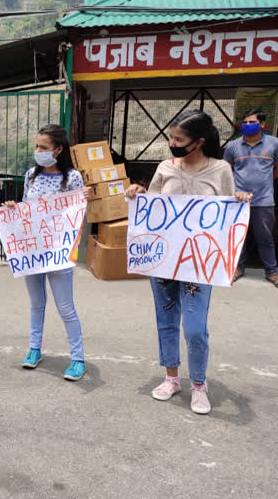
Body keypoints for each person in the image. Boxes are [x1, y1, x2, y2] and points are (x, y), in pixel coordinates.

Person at [126, 110, 247, 415]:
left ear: (199, 142)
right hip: (164, 262)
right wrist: (136, 193)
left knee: (195, 328)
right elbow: (150, 209)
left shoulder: (220, 170)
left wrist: (240, 200)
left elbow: (227, 218)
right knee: (166, 320)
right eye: (171, 137)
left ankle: (198, 385)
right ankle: (171, 378)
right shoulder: (166, 167)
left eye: (178, 139)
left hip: (200, 264)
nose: (172, 143)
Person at [1, 125, 92, 381]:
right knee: (36, 304)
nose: (38, 151)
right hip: (33, 249)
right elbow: (26, 210)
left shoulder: (73, 178)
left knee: (66, 308)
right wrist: (13, 207)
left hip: (58, 252)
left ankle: (77, 359)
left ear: (58, 150)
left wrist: (81, 198)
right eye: (37, 146)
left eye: (43, 147)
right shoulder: (31, 174)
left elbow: (75, 215)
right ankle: (34, 349)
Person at [224, 108, 278, 286]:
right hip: (238, 202)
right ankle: (237, 268)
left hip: (264, 201)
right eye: (245, 123)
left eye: (252, 122)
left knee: (265, 238)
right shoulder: (232, 146)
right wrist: (235, 192)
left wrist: (263, 183)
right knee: (239, 237)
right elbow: (226, 172)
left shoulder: (274, 144)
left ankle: (272, 272)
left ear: (262, 124)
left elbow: (276, 170)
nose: (247, 125)